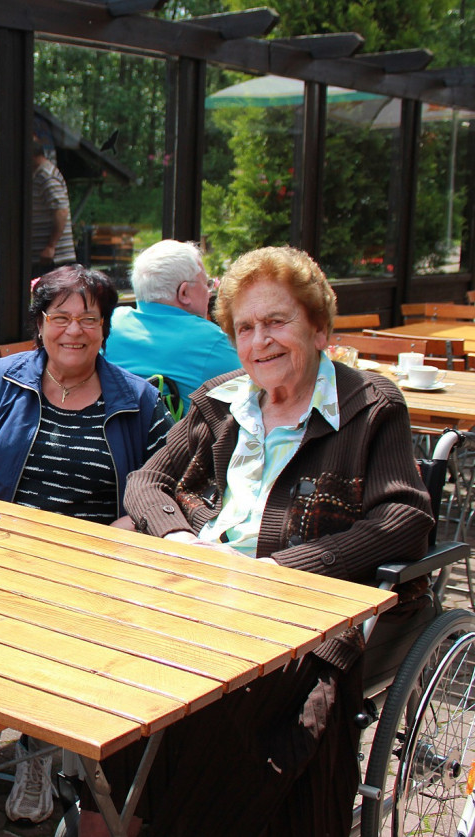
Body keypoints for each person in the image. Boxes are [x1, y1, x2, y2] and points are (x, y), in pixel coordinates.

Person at [81, 246, 433, 837]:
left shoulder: (370, 406)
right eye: (245, 327)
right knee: (110, 683)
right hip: (190, 593)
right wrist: (176, 537)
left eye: (277, 321)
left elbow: (404, 516)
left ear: (318, 327)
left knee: (224, 716)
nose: (259, 341)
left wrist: (278, 569)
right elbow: (148, 480)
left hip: (292, 618)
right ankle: (114, 812)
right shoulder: (221, 399)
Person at [0, 265, 172, 837]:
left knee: (74, 639)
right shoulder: (0, 380)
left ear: (105, 329)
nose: (73, 331)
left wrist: (120, 532)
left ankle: (38, 760)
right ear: (41, 325)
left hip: (93, 570)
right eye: (61, 318)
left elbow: (162, 488)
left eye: (89, 319)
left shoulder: (141, 400)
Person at [104, 239, 240, 398]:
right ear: (184, 293)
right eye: (207, 284)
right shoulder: (213, 343)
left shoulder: (109, 325)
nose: (209, 293)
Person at [30, 140, 75, 275]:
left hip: (54, 258)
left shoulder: (46, 176)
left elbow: (61, 211)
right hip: (47, 257)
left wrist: (50, 246)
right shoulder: (40, 174)